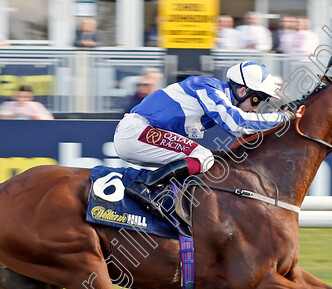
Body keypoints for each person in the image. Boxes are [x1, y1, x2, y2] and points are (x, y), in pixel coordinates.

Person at [114, 61, 292, 212]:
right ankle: (144, 186)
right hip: (137, 131)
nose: (256, 107)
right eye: (257, 100)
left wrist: (282, 118)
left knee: (208, 159)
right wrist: (283, 117)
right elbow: (238, 123)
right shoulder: (207, 87)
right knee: (203, 156)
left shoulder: (218, 97)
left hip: (140, 133)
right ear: (242, 90)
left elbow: (243, 131)